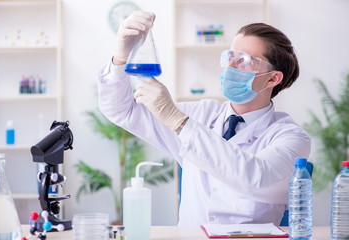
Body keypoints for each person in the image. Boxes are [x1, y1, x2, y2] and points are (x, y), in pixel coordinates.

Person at [97, 11, 311, 226]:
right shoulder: (201, 114)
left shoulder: (291, 137)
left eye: (244, 61)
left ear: (273, 78)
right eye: (230, 57)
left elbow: (256, 179)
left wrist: (179, 122)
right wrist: (120, 56)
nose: (231, 67)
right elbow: (121, 110)